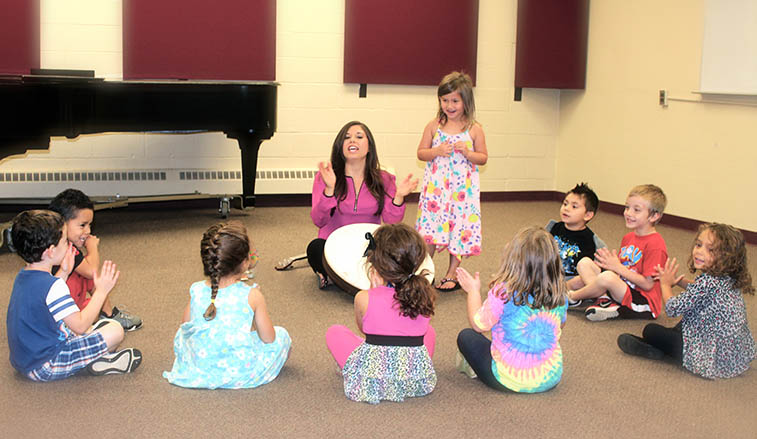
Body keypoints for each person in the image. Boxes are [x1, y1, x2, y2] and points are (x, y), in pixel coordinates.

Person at [6, 210, 142, 381]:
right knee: (115, 330)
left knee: (101, 326)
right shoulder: (53, 286)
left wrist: (64, 272)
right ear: (50, 251)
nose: (69, 244)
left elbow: (46, 300)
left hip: (24, 360)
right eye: (64, 241)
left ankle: (95, 360)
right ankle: (96, 361)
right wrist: (101, 291)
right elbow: (80, 325)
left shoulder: (24, 276)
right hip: (46, 365)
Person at [617, 223, 755, 379]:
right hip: (731, 352)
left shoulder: (708, 282)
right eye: (698, 245)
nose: (699, 252)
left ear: (727, 257)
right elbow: (700, 293)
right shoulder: (726, 278)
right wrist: (679, 282)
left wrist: (665, 284)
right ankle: (663, 348)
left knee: (651, 330)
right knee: (688, 318)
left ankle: (662, 351)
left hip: (711, 355)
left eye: (710, 250)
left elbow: (672, 308)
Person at [163, 221, 291, 389]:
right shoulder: (253, 295)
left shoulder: (197, 289)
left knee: (183, 335)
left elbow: (185, 326)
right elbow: (269, 338)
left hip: (199, 368)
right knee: (282, 336)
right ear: (245, 263)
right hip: (239, 373)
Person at [325, 223, 437, 404]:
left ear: (375, 264)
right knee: (429, 332)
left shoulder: (363, 297)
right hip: (413, 378)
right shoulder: (425, 295)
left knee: (335, 332)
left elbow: (364, 329)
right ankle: (408, 374)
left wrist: (373, 291)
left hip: (372, 377)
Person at [456, 226, 567, 392]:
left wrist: (473, 291)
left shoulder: (503, 292)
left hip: (505, 379)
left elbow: (479, 325)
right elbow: (561, 324)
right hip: (550, 377)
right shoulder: (560, 294)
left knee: (466, 336)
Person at [308, 121, 418, 289]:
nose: (352, 141)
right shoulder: (326, 176)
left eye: (359, 137)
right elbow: (319, 220)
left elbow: (390, 220)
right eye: (347, 138)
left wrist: (399, 197)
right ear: (340, 146)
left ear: (369, 147)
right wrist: (330, 189)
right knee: (315, 249)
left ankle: (340, 278)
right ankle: (338, 275)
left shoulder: (385, 178)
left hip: (368, 245)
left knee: (397, 251)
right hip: (335, 243)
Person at [416, 71, 488, 291]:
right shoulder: (434, 126)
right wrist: (436, 150)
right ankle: (424, 270)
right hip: (436, 191)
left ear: (466, 101)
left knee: (459, 229)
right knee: (430, 228)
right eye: (445, 100)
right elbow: (421, 153)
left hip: (461, 193)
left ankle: (451, 273)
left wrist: (468, 153)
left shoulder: (474, 129)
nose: (449, 105)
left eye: (455, 100)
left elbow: (483, 158)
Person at [568, 184, 668, 321]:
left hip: (643, 302)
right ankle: (604, 300)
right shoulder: (628, 238)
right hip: (623, 287)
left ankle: (572, 298)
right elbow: (621, 271)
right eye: (627, 207)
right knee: (585, 263)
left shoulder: (656, 244)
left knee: (606, 277)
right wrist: (610, 266)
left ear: (654, 216)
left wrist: (616, 268)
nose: (628, 213)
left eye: (636, 210)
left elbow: (648, 284)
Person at [49, 189, 142, 331]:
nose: (88, 231)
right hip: (60, 316)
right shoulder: (65, 248)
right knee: (91, 274)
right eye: (82, 225)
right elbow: (91, 271)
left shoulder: (57, 242)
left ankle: (108, 314)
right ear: (63, 224)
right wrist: (92, 247)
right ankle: (103, 317)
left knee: (88, 277)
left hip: (61, 308)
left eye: (89, 225)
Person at [545, 182, 606, 297]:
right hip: (551, 275)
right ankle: (556, 290)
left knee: (581, 280)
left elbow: (595, 268)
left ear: (587, 215)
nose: (566, 209)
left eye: (574, 206)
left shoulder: (590, 239)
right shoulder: (554, 228)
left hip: (572, 279)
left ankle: (571, 293)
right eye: (565, 204)